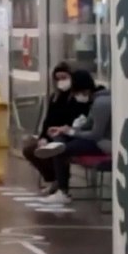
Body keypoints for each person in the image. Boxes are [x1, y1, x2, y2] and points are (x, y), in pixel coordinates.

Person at [33, 70, 110, 204]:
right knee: (59, 141)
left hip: (103, 144)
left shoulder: (101, 103)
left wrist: (72, 132)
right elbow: (87, 126)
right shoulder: (96, 101)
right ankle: (59, 186)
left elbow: (96, 134)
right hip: (95, 140)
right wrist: (64, 130)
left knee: (61, 149)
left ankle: (63, 191)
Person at [23, 63, 88, 194]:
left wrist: (61, 130)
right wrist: (43, 137)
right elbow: (48, 120)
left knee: (56, 148)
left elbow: (77, 120)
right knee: (30, 150)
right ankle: (54, 179)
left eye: (64, 77)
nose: (61, 82)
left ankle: (61, 183)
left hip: (67, 134)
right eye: (58, 79)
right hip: (52, 134)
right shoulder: (55, 97)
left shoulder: (77, 97)